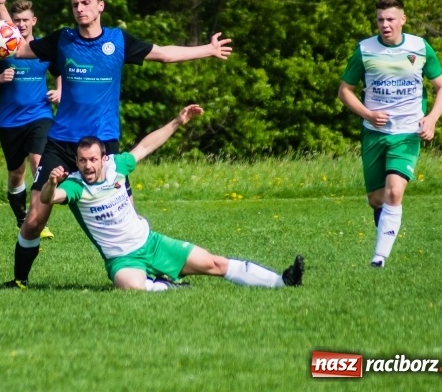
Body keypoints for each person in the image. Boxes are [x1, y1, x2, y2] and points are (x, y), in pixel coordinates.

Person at [0, 0, 233, 288]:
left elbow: (165, 54)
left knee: (125, 216)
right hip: (61, 143)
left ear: (100, 5)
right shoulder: (61, 40)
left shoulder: (118, 41)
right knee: (34, 219)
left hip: (103, 148)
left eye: (86, 2)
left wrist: (208, 50)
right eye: (75, 4)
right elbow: (16, 48)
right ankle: (19, 281)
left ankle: (147, 270)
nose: (80, 8)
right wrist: (0, 8)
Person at [41, 104, 304, 290]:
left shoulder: (117, 167)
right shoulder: (75, 186)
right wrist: (52, 183)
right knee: (130, 286)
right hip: (122, 259)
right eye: (82, 160)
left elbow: (146, 145)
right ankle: (167, 286)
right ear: (76, 160)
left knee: (214, 263)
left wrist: (178, 122)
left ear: (103, 159)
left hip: (152, 244)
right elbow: (47, 199)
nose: (88, 165)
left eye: (93, 160)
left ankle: (283, 281)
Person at [338, 0, 442, 268]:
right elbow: (344, 91)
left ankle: (379, 258)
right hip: (374, 133)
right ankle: (384, 237)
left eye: (390, 19)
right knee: (377, 199)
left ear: (403, 19)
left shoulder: (419, 47)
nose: (385, 25)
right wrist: (368, 114)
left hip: (408, 133)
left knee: (395, 192)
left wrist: (432, 118)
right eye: (380, 20)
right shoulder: (365, 50)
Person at [0, 0, 61, 237]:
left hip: (40, 115)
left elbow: (61, 73)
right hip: (10, 122)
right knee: (16, 174)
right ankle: (22, 218)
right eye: (17, 21)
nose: (22, 24)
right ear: (11, 23)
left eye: (26, 20)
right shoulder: (1, 47)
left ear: (34, 21)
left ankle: (38, 221)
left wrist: (60, 91)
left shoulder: (42, 48)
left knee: (38, 163)